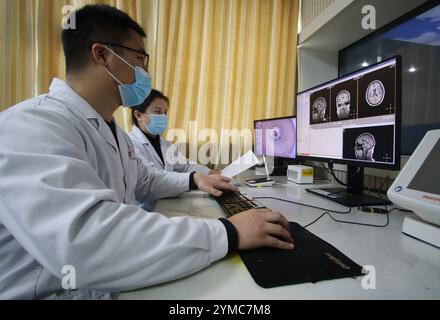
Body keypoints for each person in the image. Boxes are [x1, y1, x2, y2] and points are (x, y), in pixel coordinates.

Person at [0, 4, 294, 300]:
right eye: (140, 59)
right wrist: (229, 233)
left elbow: (144, 180)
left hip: (105, 285)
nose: (146, 72)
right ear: (102, 55)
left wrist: (196, 180)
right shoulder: (31, 126)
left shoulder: (111, 130)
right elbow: (86, 241)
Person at [129, 89, 220, 175]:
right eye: (157, 112)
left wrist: (208, 172)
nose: (163, 116)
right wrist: (193, 179)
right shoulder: (131, 143)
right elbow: (151, 176)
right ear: (138, 115)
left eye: (165, 112)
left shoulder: (165, 144)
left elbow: (185, 165)